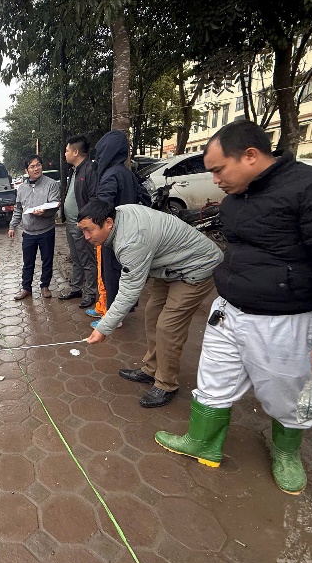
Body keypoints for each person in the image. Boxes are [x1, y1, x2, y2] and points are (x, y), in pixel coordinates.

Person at [155, 120, 312, 495]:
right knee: (213, 381)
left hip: (286, 321)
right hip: (229, 311)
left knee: (287, 393)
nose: (216, 179)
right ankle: (203, 440)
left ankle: (287, 453)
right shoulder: (238, 196)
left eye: (219, 170)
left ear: (251, 156)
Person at [79, 200, 223, 407]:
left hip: (196, 269)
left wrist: (104, 328)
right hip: (169, 267)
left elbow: (129, 291)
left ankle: (166, 384)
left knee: (168, 326)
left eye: (89, 230)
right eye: (83, 231)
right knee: (152, 314)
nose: (86, 237)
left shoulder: (131, 242)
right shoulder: (120, 214)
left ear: (108, 222)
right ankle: (152, 368)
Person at [86, 130, 143, 326]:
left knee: (111, 274)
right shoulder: (127, 173)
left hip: (112, 234)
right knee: (117, 273)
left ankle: (112, 317)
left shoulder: (110, 175)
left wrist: (91, 224)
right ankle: (107, 308)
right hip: (128, 232)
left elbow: (103, 206)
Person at [8, 154, 61, 300]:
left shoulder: (51, 184)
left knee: (47, 260)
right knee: (28, 262)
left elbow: (55, 204)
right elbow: (18, 209)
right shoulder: (22, 189)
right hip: (28, 232)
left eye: (38, 165)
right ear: (27, 170)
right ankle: (26, 288)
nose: (36, 168)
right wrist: (12, 226)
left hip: (46, 230)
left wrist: (44, 212)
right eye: (32, 166)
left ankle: (45, 286)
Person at [58, 135, 99, 308]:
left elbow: (93, 199)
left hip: (82, 225)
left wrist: (87, 224)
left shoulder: (89, 170)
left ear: (76, 151)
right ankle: (76, 287)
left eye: (67, 150)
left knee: (88, 260)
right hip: (71, 224)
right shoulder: (75, 170)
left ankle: (90, 293)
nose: (65, 154)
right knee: (76, 258)